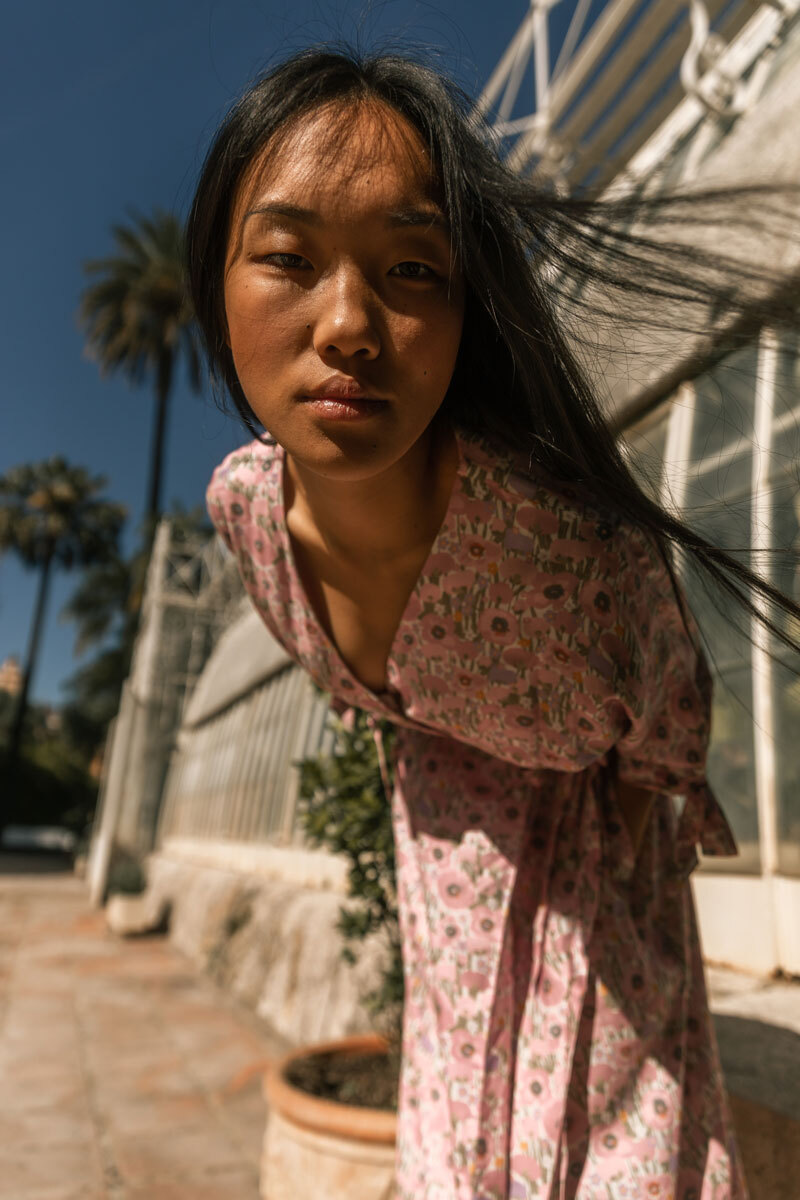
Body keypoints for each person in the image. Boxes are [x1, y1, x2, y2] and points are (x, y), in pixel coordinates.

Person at [187, 48, 800, 1199]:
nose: (350, 322)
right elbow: (352, 688)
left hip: (593, 893)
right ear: (215, 284)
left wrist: (616, 850)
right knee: (452, 1152)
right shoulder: (244, 516)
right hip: (444, 886)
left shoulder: (557, 538)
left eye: (413, 269)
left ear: (468, 310)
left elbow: (670, 704)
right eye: (287, 257)